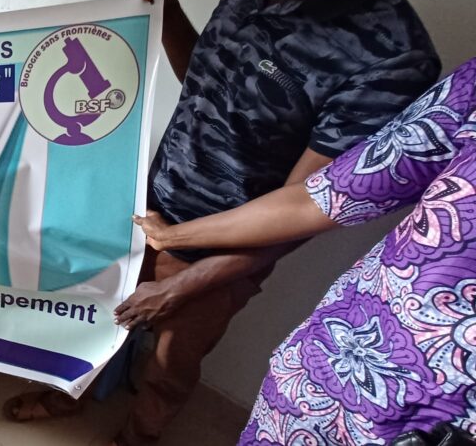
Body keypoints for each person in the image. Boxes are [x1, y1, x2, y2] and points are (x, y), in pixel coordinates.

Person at [4, 0, 441, 444]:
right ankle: (68, 397)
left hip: (222, 253)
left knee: (169, 365)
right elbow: (212, 82)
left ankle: (138, 437)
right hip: (146, 207)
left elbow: (304, 208)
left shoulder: (391, 56)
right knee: (96, 319)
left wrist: (181, 282)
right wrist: (168, 9)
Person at [131, 57, 476, 446]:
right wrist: (172, 237)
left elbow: (311, 204)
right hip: (333, 377)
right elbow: (326, 197)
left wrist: (181, 264)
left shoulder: (396, 57)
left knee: (169, 368)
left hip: (423, 411)